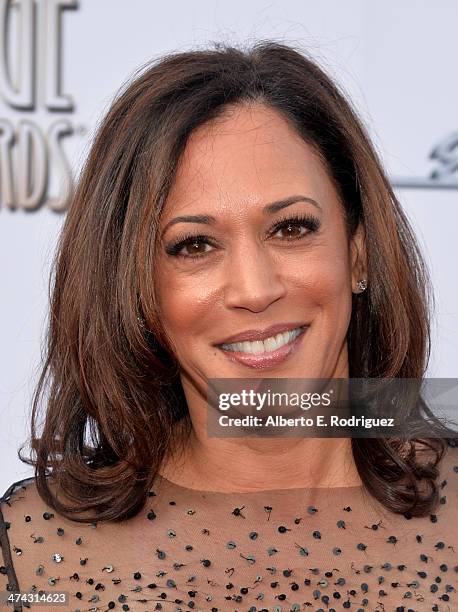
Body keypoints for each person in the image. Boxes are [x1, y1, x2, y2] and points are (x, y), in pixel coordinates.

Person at [1, 41, 457, 612]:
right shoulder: (33, 559)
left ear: (358, 253)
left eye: (291, 229)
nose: (255, 290)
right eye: (195, 244)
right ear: (136, 288)